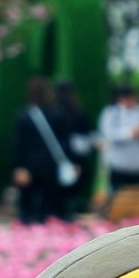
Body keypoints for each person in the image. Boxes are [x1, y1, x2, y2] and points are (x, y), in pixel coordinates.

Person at [12, 77, 69, 225]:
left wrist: (19, 167)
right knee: (48, 209)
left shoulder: (24, 116)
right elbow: (65, 142)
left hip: (29, 166)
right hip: (51, 166)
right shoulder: (58, 115)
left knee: (27, 208)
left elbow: (20, 145)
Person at [98, 86, 139, 193]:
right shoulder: (112, 113)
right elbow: (109, 134)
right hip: (119, 165)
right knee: (118, 199)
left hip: (138, 165)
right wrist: (130, 133)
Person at [55, 80, 95, 219]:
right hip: (78, 158)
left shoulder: (54, 112)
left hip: (58, 159)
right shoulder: (78, 112)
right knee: (72, 194)